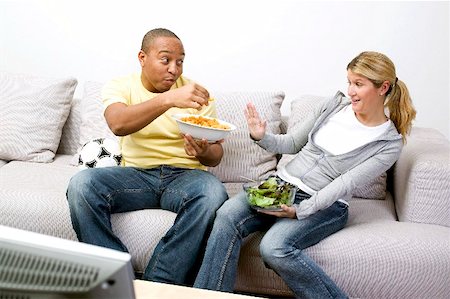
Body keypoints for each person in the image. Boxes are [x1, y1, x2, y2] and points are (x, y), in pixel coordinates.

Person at [193, 51, 416, 298]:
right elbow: (291, 143)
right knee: (225, 217)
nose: (350, 91)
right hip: (279, 186)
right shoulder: (333, 107)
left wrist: (301, 210)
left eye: (359, 84)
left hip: (325, 204)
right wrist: (261, 136)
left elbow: (346, 182)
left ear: (383, 87)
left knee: (274, 247)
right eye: (349, 82)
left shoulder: (388, 142)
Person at [66, 28, 228, 286]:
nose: (174, 69)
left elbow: (215, 156)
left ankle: (158, 283)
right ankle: (117, 278)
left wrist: (204, 150)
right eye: (166, 60)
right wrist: (167, 100)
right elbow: (118, 124)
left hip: (185, 177)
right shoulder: (121, 86)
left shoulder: (196, 95)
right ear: (142, 58)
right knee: (81, 185)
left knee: (213, 193)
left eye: (180, 61)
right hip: (136, 176)